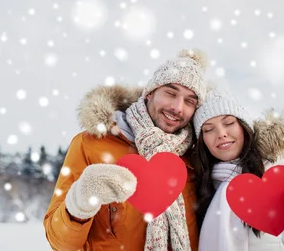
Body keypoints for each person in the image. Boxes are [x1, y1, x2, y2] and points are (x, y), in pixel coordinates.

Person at [44, 49, 209, 251]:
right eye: (171, 93)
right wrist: (80, 202)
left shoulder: (197, 155)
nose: (177, 107)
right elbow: (60, 243)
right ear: (149, 93)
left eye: (189, 101)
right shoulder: (91, 144)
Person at [192, 87, 284, 251]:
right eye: (208, 129)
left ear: (244, 127)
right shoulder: (202, 190)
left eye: (229, 123)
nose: (221, 133)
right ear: (202, 141)